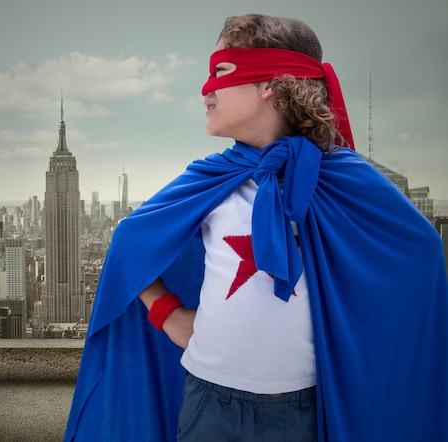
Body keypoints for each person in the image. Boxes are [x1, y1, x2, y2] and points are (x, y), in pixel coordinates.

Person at [64, 14, 448, 442]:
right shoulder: (211, 177)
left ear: (270, 83)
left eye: (221, 71)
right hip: (209, 401)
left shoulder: (342, 177)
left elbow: (420, 251)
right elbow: (130, 243)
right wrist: (169, 315)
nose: (205, 88)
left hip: (304, 406)